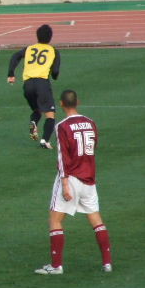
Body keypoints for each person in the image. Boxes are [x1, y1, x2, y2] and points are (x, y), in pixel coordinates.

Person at [35, 89, 112, 275]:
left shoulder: (62, 126)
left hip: (71, 178)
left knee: (55, 219)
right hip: (89, 179)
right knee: (96, 220)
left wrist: (64, 184)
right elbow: (93, 147)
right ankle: (107, 263)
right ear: (78, 102)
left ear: (61, 104)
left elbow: (62, 156)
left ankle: (56, 266)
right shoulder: (91, 123)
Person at [7, 24, 61, 149]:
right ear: (50, 37)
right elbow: (55, 71)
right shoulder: (53, 51)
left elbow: (15, 56)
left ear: (37, 36)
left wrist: (11, 73)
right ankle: (45, 140)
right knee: (50, 114)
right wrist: (54, 76)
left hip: (27, 85)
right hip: (42, 84)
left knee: (37, 110)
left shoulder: (29, 48)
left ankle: (34, 122)